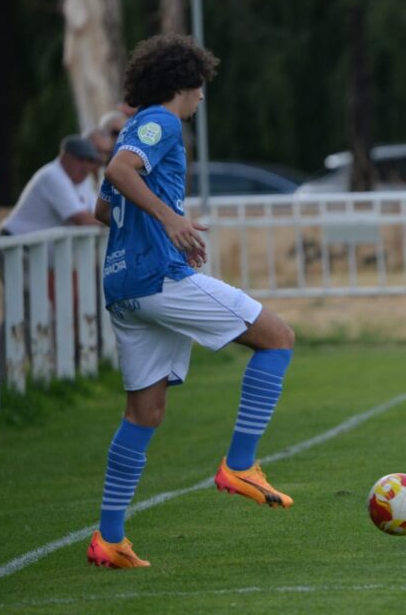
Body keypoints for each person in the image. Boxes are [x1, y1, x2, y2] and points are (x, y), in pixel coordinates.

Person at [87, 34, 297, 569]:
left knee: (144, 412)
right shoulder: (161, 122)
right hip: (158, 277)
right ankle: (241, 464)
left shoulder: (134, 128)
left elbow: (101, 209)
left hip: (122, 286)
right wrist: (170, 220)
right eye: (201, 86)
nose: (202, 97)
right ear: (187, 82)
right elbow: (117, 174)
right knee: (277, 338)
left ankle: (109, 539)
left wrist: (149, 219)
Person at [0, 135, 105, 235]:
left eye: (90, 161)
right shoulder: (53, 175)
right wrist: (115, 222)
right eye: (81, 159)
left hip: (32, 247)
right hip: (12, 243)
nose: (86, 167)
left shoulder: (84, 180)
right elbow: (82, 220)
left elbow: (96, 214)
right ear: (65, 156)